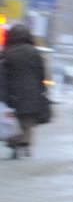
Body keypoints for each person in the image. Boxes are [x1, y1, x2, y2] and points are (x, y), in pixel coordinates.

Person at [1, 23, 51, 158]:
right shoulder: (34, 52)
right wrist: (42, 88)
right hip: (31, 91)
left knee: (12, 119)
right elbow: (41, 73)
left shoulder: (7, 52)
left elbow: (3, 73)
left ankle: (14, 144)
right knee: (27, 120)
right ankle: (25, 142)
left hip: (12, 92)